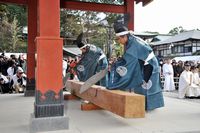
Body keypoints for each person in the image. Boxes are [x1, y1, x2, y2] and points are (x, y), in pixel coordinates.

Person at [107, 24, 164, 110]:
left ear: (125, 36)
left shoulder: (133, 44)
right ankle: (142, 105)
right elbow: (127, 57)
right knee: (141, 85)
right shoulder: (131, 40)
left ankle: (147, 106)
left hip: (150, 64)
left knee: (146, 86)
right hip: (145, 62)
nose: (119, 41)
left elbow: (128, 62)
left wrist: (116, 65)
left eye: (119, 39)